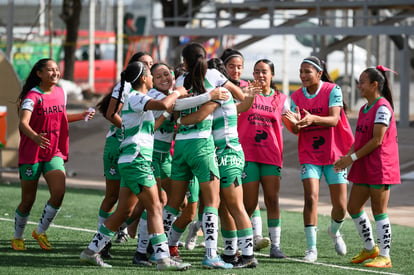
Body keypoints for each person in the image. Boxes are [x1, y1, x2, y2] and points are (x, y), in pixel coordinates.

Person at [80, 61, 191, 271]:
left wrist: (170, 111)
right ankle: (163, 259)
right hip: (137, 161)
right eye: (151, 74)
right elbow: (165, 104)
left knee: (123, 211)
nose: (153, 78)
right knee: (156, 206)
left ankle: (90, 252)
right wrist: (177, 92)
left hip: (132, 161)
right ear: (143, 79)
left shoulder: (135, 97)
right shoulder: (137, 96)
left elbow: (153, 126)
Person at [162, 42, 245, 269]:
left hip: (180, 147)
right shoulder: (215, 75)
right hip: (202, 146)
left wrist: (180, 119)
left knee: (173, 203)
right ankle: (210, 255)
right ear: (205, 58)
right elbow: (239, 95)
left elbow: (175, 108)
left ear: (185, 62)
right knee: (212, 203)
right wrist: (221, 99)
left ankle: (156, 250)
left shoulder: (179, 81)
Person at [176, 57, 259, 268]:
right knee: (223, 208)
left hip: (229, 153)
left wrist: (177, 120)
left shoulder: (219, 94)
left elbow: (197, 116)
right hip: (219, 153)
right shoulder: (220, 94)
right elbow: (240, 107)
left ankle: (248, 255)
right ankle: (231, 252)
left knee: (235, 205)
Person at [11, 58, 95, 251]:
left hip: (53, 151)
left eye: (57, 69)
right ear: (39, 74)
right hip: (32, 152)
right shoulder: (32, 96)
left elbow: (60, 117)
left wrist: (80, 116)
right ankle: (17, 236)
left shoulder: (60, 92)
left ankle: (40, 231)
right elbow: (23, 124)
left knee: (59, 193)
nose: (55, 73)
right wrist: (35, 137)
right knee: (28, 199)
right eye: (50, 70)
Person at [283, 56, 354, 262]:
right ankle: (311, 248)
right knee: (311, 197)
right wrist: (296, 123)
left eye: (307, 71)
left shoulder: (333, 90)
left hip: (334, 155)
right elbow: (296, 128)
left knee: (341, 206)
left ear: (319, 74)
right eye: (301, 71)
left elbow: (333, 120)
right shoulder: (295, 96)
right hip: (310, 154)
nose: (303, 75)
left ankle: (334, 230)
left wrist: (312, 118)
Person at [334, 66, 400, 268]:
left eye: (362, 82)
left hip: (381, 164)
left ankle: (385, 256)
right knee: (353, 207)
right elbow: (361, 139)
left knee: (379, 210)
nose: (358, 85)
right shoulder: (364, 108)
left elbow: (377, 140)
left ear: (374, 85)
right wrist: (347, 157)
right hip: (363, 162)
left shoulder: (383, 107)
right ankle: (370, 248)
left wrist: (351, 158)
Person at [94, 52, 154, 259]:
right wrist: (129, 130)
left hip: (136, 149)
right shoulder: (127, 87)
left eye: (151, 64)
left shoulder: (150, 88)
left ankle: (121, 236)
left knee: (142, 200)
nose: (150, 67)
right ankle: (103, 243)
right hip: (118, 144)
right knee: (112, 196)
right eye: (146, 64)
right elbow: (111, 113)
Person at [237, 59, 289, 259]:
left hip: (271, 156)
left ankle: (275, 245)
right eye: (256, 71)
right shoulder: (245, 92)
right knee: (248, 204)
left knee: (272, 200)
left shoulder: (281, 99)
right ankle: (243, 243)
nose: (260, 75)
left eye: (264, 72)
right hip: (248, 155)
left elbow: (291, 123)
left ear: (271, 75)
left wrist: (301, 123)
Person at [220, 48, 270, 251]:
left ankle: (247, 241)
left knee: (242, 198)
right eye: (232, 66)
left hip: (237, 150)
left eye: (240, 67)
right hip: (215, 148)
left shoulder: (246, 87)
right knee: (218, 201)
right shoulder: (218, 87)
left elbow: (245, 108)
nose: (236, 70)